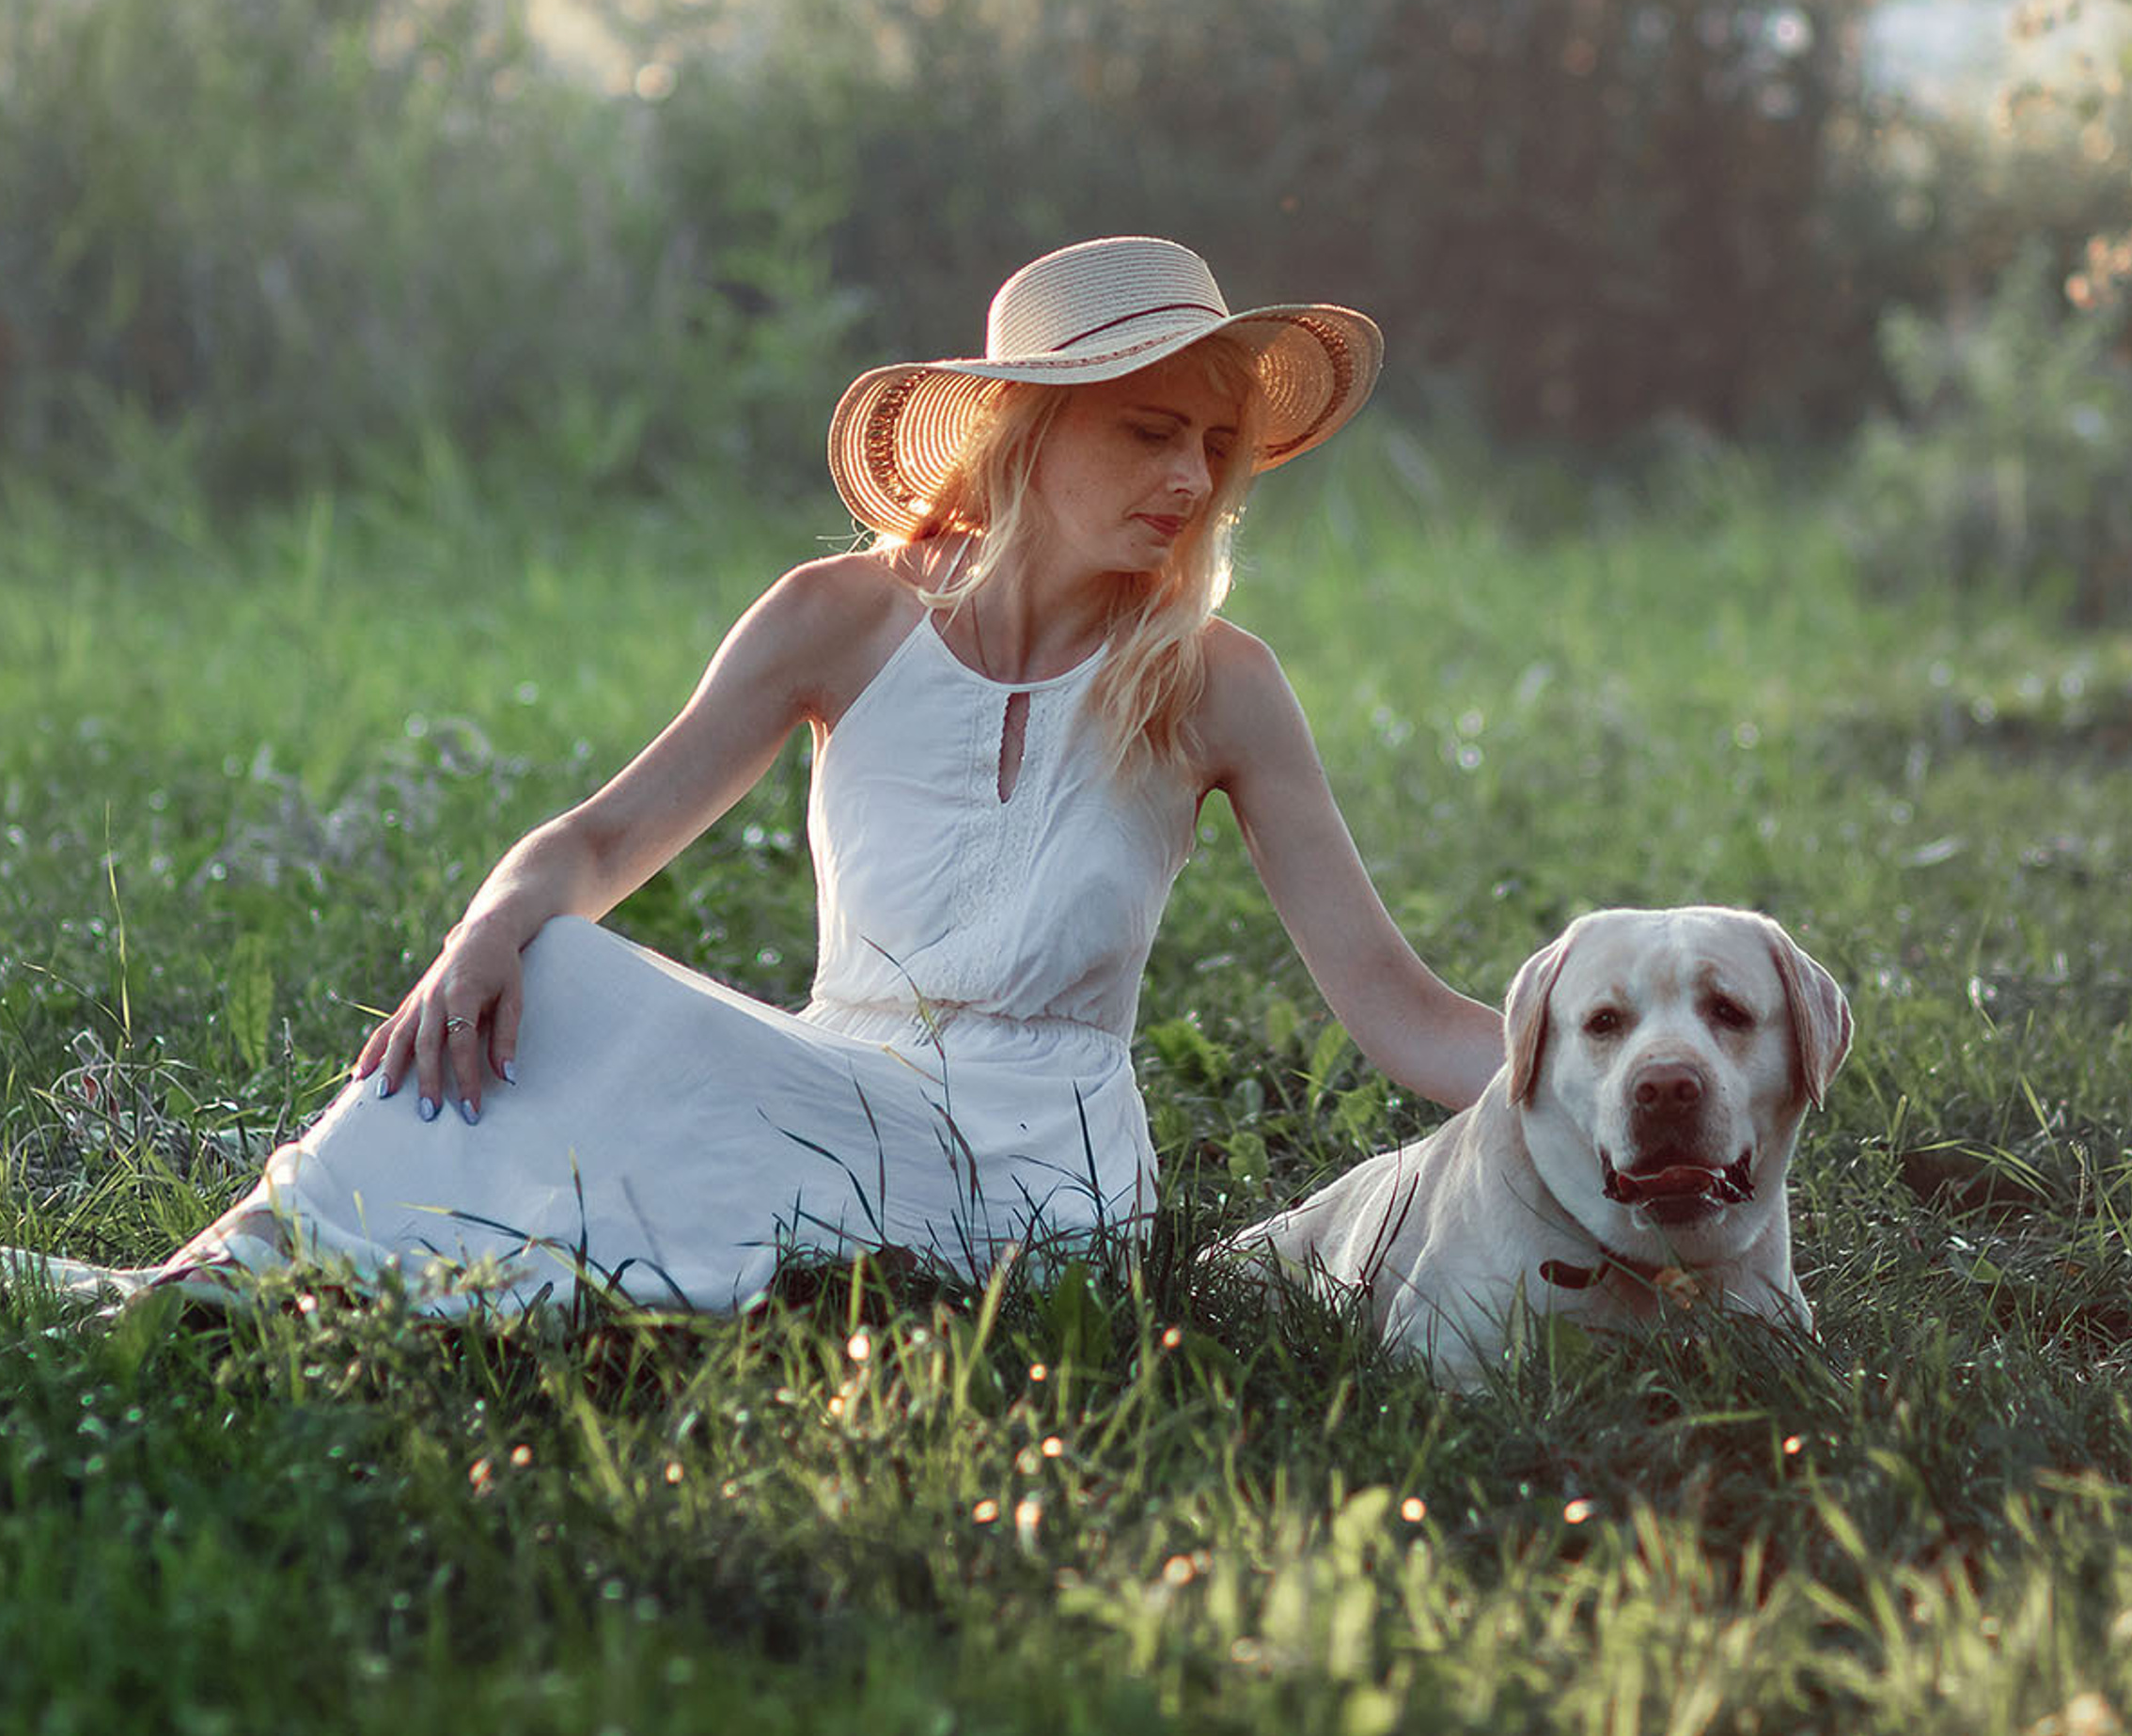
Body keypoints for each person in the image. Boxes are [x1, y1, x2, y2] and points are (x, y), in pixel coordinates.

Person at [12, 238, 1504, 1317]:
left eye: (1216, 445)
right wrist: (489, 927)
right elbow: (599, 840)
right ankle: (225, 1277)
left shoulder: (1216, 684)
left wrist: (1640, 1084)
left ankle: (267, 1288)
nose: (1191, 481)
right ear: (1030, 431)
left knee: (603, 1025)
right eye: (1149, 431)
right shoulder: (836, 622)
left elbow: (1402, 1011)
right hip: (836, 1094)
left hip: (1050, 1186)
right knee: (558, 958)